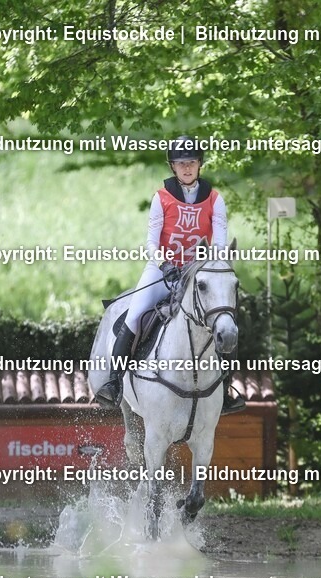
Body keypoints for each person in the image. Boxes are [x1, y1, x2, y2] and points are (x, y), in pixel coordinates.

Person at [96, 135, 245, 414]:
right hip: (162, 270)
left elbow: (220, 245)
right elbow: (151, 242)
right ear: (173, 167)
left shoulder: (215, 199)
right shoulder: (161, 198)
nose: (187, 168)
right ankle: (114, 382)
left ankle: (225, 389)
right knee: (136, 313)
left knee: (225, 318)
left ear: (199, 165)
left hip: (198, 273)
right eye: (181, 163)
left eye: (191, 162)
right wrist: (164, 265)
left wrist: (212, 266)